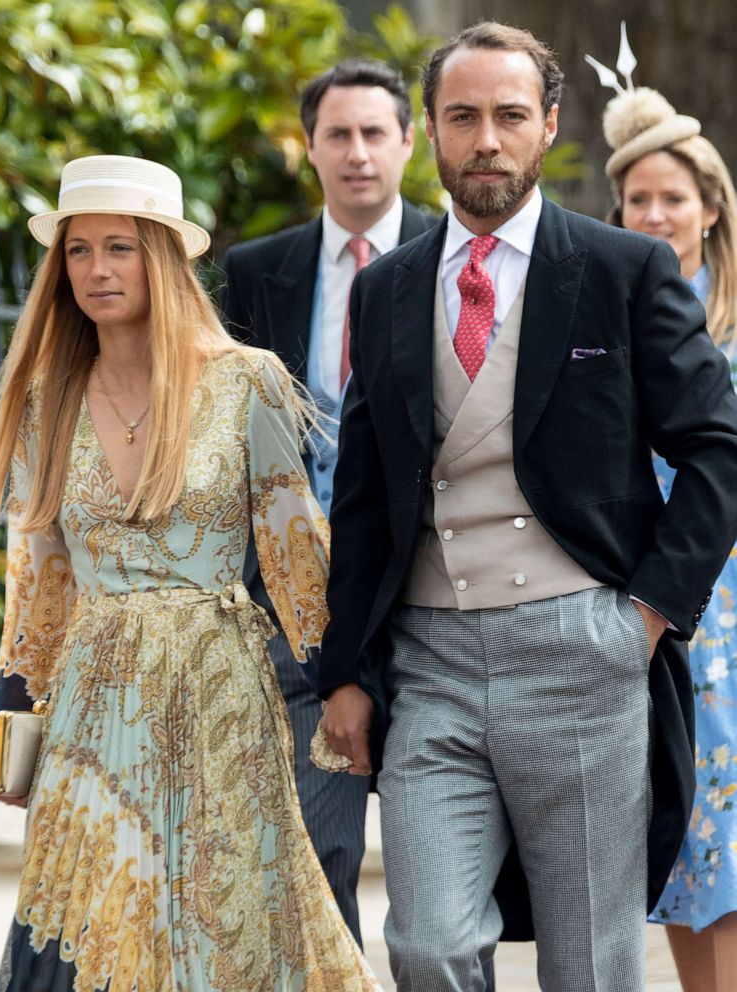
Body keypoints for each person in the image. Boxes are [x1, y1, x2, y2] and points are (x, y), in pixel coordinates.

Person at [314, 20, 737, 992]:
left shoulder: (622, 272)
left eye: (509, 116)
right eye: (461, 117)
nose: (486, 140)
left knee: (588, 962)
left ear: (548, 126)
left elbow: (714, 448)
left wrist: (641, 617)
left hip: (582, 649)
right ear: (427, 130)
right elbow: (364, 495)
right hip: (428, 660)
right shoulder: (382, 292)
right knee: (423, 940)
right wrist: (347, 670)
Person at [0, 154, 381, 992]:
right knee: (92, 925)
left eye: (120, 247)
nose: (96, 270)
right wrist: (15, 705)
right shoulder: (42, 397)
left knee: (223, 923)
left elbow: (297, 558)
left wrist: (352, 685)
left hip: (218, 697)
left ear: (161, 255)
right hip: (93, 704)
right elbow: (43, 576)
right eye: (79, 250)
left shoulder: (245, 385)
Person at [220, 59, 437, 948]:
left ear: (407, 142)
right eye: (337, 135)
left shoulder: (453, 256)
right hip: (296, 606)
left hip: (428, 594)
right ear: (307, 146)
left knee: (435, 878)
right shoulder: (257, 269)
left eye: (373, 133)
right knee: (316, 850)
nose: (356, 154)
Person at [592, 39, 737, 992]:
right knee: (690, 846)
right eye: (636, 200)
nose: (652, 214)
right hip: (658, 603)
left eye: (670, 198)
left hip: (727, 608)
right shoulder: (604, 323)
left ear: (710, 207)